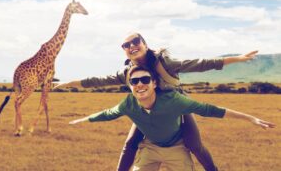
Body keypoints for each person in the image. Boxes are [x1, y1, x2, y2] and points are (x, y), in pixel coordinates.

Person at [55, 32, 259, 171]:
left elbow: (199, 64)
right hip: (147, 107)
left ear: (145, 44)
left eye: (136, 41)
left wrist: (237, 58)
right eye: (126, 45)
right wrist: (68, 83)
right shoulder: (127, 73)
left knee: (193, 144)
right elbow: (98, 81)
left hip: (175, 105)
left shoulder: (165, 63)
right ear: (124, 51)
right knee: (130, 143)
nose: (131, 46)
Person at [69, 65, 275, 171]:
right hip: (149, 148)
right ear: (130, 85)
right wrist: (84, 119)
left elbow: (211, 109)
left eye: (145, 79)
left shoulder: (174, 101)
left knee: (196, 146)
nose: (139, 84)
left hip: (177, 148)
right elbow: (107, 114)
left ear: (155, 83)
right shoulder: (128, 104)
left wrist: (250, 118)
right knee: (130, 146)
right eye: (134, 81)